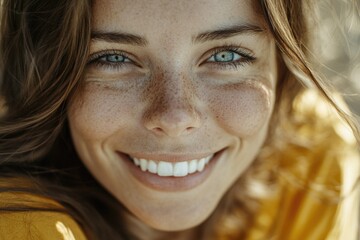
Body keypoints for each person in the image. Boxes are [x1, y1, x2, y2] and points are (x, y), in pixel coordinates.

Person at [0, 0, 359, 239]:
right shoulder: (22, 225)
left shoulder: (313, 167)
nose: (175, 117)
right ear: (44, 74)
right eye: (113, 59)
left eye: (226, 55)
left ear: (282, 67)